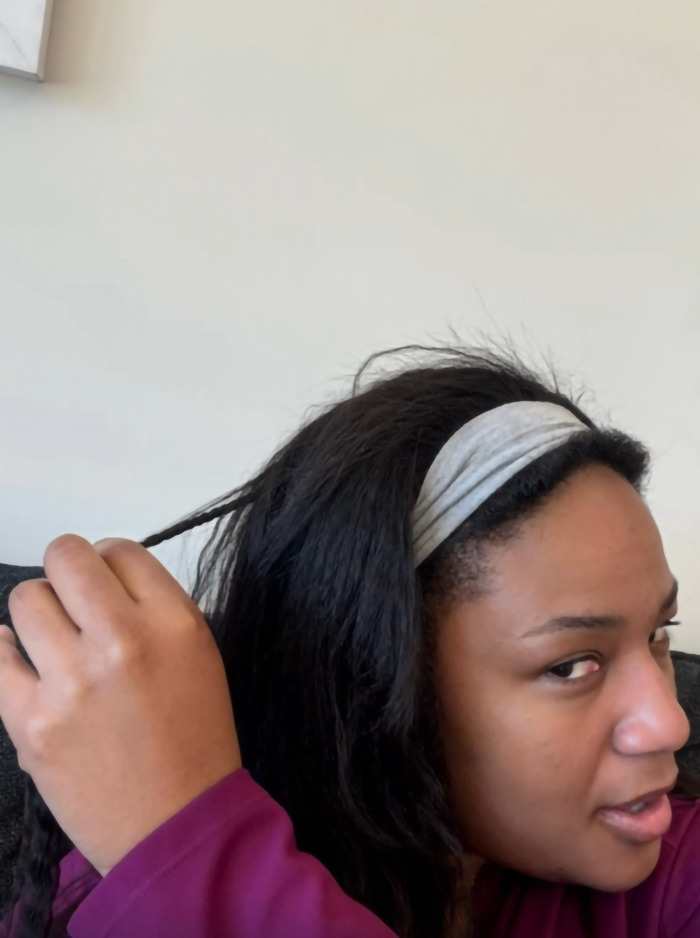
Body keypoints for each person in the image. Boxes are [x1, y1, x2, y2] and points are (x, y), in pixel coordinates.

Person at [1, 345, 699, 938]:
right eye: (572, 665)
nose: (670, 723)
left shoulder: (679, 873)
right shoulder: (108, 894)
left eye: (657, 634)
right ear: (371, 683)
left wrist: (192, 854)